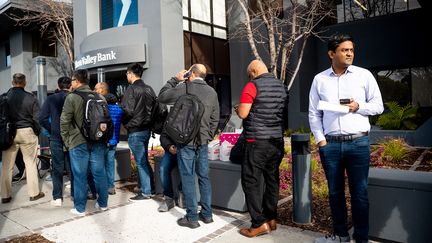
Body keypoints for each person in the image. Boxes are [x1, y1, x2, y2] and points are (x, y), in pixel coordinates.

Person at [309, 33, 384, 243]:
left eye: (351, 49)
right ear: (332, 53)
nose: (349, 53)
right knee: (335, 194)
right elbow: (314, 113)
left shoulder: (364, 75)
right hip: (330, 145)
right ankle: (341, 236)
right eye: (344, 50)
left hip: (358, 143)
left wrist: (359, 106)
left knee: (359, 194)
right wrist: (321, 141)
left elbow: (378, 106)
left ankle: (361, 239)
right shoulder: (320, 80)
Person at [158, 64, 220, 229]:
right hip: (203, 142)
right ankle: (207, 215)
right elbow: (215, 118)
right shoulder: (212, 92)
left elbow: (162, 97)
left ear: (190, 73)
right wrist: (207, 136)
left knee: (187, 177)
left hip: (185, 142)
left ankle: (191, 217)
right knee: (204, 177)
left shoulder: (184, 87)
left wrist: (175, 79)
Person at [234, 60, 288, 237]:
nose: (249, 77)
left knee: (251, 181)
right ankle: (271, 219)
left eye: (250, 74)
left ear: (254, 71)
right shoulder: (281, 86)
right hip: (276, 140)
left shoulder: (252, 85)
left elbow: (243, 113)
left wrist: (238, 109)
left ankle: (258, 223)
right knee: (271, 178)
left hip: (257, 141)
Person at [60, 69, 109, 216]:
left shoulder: (72, 97)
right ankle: (103, 203)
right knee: (99, 173)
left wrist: (67, 142)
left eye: (72, 80)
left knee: (79, 175)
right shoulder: (100, 96)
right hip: (98, 141)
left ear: (76, 81)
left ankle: (80, 208)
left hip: (78, 142)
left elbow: (64, 122)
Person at [1, 73, 45, 203]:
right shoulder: (31, 97)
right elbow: (37, 118)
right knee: (30, 163)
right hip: (27, 131)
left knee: (7, 166)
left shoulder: (4, 97)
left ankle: (5, 196)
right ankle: (34, 193)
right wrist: (36, 132)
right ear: (24, 83)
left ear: (12, 82)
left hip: (8, 133)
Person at [121, 63, 156, 201]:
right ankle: (150, 188)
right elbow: (155, 108)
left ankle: (146, 192)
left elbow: (127, 110)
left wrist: (124, 122)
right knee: (144, 161)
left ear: (131, 73)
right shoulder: (149, 89)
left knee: (141, 162)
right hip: (146, 129)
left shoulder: (131, 89)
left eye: (127, 73)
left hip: (135, 130)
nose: (126, 76)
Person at [39, 77, 74, 206]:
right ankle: (75, 195)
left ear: (58, 86)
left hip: (56, 137)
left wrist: (52, 129)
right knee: (72, 166)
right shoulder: (74, 97)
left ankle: (57, 197)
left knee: (57, 167)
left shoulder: (51, 99)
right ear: (70, 86)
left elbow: (42, 118)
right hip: (72, 137)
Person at [95, 82, 123, 195]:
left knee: (100, 164)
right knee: (110, 163)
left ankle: (101, 187)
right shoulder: (119, 110)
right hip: (114, 140)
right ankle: (111, 186)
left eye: (96, 89)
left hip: (104, 140)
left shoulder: (103, 108)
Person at [157, 129, 178, 212]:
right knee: (163, 168)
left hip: (186, 149)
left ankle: (182, 194)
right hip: (171, 149)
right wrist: (169, 146)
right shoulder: (170, 116)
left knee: (187, 170)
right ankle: (169, 198)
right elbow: (163, 135)